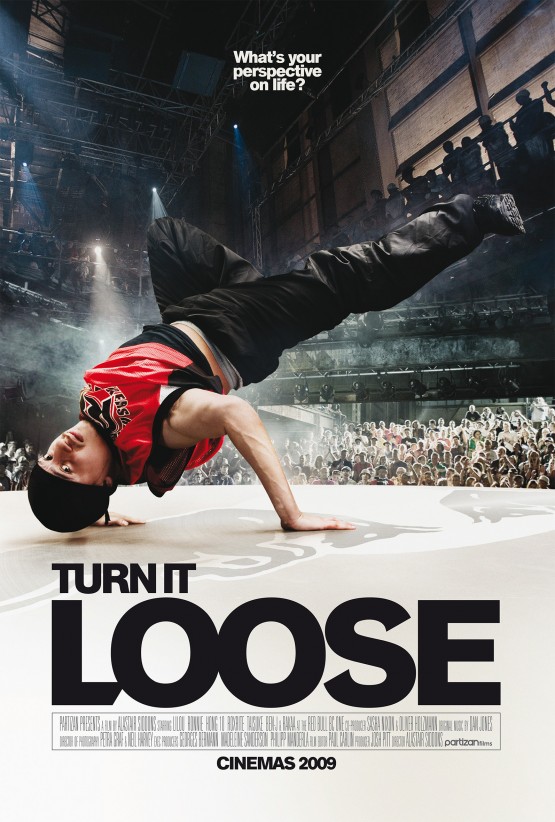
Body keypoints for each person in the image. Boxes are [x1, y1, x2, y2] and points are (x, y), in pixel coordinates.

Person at [28, 193, 525, 533]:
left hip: (192, 311)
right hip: (236, 329)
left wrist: (98, 514)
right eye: (68, 469)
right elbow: (235, 413)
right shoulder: (162, 430)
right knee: (343, 278)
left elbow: (87, 483)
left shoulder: (95, 421)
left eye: (49, 459)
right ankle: (473, 216)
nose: (60, 451)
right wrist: (290, 513)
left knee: (165, 235)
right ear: (105, 480)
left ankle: (263, 289)